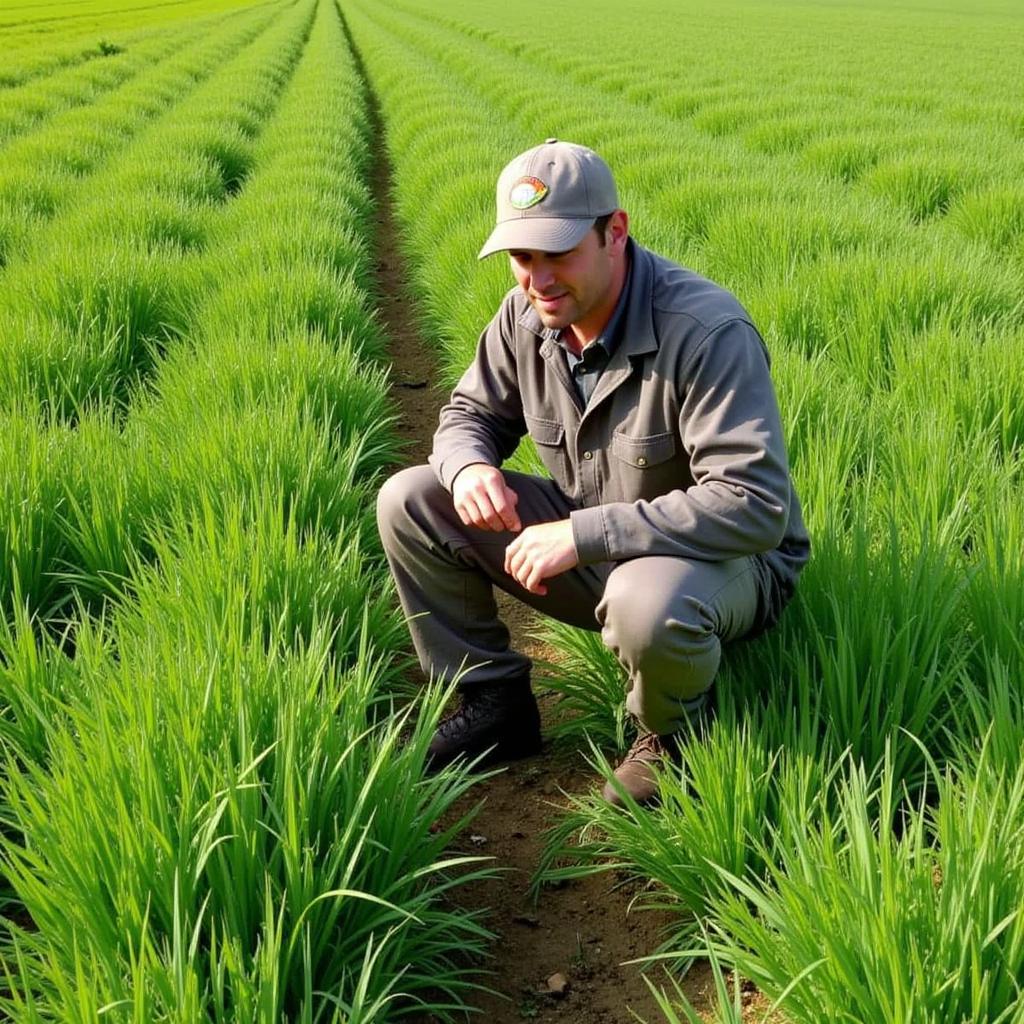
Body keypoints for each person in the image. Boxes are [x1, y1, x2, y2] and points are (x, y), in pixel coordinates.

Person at [376, 139, 810, 806]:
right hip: (602, 543)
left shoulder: (704, 330)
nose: (539, 279)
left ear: (616, 232)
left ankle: (671, 743)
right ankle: (494, 702)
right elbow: (467, 415)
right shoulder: (525, 316)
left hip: (722, 563)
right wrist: (466, 471)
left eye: (560, 254)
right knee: (411, 499)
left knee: (646, 599)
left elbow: (752, 504)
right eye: (523, 258)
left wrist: (582, 535)